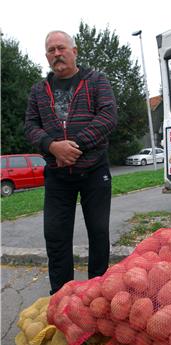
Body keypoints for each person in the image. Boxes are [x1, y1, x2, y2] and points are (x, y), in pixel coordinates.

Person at [24, 30, 117, 295]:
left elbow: (108, 116)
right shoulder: (38, 91)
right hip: (57, 175)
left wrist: (74, 146)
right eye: (51, 50)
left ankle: (98, 295)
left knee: (98, 233)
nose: (57, 54)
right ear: (46, 56)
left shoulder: (97, 81)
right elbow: (30, 126)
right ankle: (62, 298)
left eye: (61, 48)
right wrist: (53, 147)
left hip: (94, 170)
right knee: (55, 236)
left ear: (74, 51)